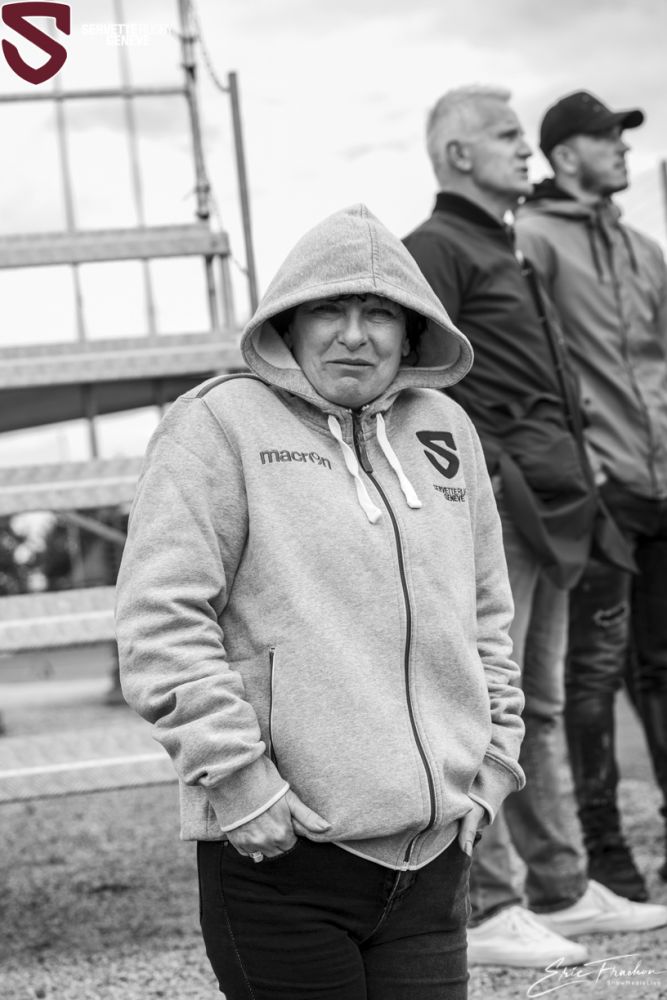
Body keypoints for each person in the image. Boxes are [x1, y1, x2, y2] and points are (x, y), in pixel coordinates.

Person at [115, 203, 527, 1000]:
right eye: (329, 309)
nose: (354, 335)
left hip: (433, 865)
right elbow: (160, 619)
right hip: (282, 856)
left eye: (379, 313)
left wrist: (493, 765)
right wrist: (240, 783)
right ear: (289, 321)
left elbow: (486, 616)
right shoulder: (216, 425)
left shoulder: (446, 428)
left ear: (412, 331)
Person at [403, 84, 667, 969]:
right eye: (508, 136)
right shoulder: (435, 248)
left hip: (559, 504)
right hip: (503, 508)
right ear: (458, 155)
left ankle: (559, 888)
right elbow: (416, 383)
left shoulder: (506, 244)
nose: (527, 150)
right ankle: (487, 907)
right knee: (481, 703)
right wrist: (488, 473)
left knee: (537, 706)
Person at [516, 90, 667, 902]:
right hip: (599, 493)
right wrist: (580, 471)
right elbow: (530, 362)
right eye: (606, 137)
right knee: (593, 674)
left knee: (662, 668)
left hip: (660, 484)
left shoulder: (643, 249)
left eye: (622, 137)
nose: (621, 148)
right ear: (564, 154)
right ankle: (606, 855)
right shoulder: (531, 240)